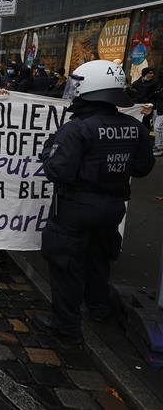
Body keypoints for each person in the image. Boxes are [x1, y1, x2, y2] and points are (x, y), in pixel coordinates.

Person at [33, 60, 154, 345]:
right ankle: (99, 309)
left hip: (75, 208)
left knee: (66, 266)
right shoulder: (134, 127)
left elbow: (57, 171)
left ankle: (66, 327)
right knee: (99, 260)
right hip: (113, 208)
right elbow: (142, 168)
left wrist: (50, 150)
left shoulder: (77, 129)